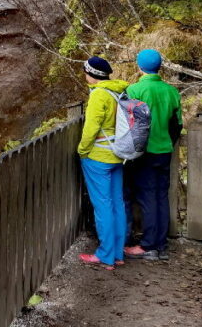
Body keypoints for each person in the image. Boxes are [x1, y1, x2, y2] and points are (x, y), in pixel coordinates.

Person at [124, 49, 182, 262]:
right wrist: (166, 142)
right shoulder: (172, 92)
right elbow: (177, 124)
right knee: (160, 196)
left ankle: (148, 246)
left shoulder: (134, 90)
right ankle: (161, 245)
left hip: (144, 152)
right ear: (159, 66)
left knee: (147, 197)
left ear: (139, 66)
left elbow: (128, 124)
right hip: (164, 150)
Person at [77, 56, 130, 270]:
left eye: (85, 72)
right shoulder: (119, 90)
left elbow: (91, 128)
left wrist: (82, 150)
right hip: (118, 155)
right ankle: (117, 252)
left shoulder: (99, 95)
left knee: (103, 205)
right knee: (117, 203)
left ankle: (106, 256)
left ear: (92, 74)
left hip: (98, 157)